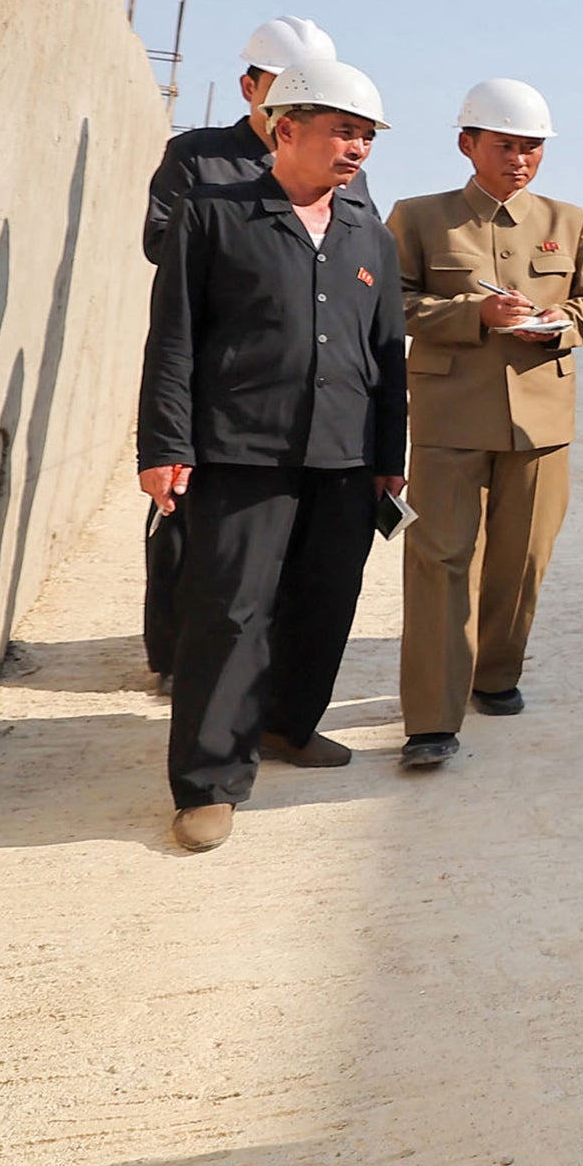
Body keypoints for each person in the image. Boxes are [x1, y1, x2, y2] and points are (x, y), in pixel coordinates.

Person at [135, 57, 406, 853]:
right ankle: (209, 780)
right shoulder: (212, 214)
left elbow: (387, 357)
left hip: (347, 455)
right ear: (286, 128)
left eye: (366, 136)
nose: (356, 148)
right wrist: (165, 443)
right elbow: (175, 338)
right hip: (242, 448)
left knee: (325, 600)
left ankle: (290, 724)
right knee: (229, 610)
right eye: (341, 131)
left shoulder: (371, 236)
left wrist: (391, 455)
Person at [385, 79, 583, 767]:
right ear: (468, 143)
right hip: (449, 417)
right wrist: (470, 315)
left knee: (522, 561)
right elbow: (390, 305)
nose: (519, 159)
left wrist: (560, 326)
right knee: (438, 560)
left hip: (542, 420)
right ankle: (430, 718)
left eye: (531, 147)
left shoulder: (568, 221)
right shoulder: (420, 217)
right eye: (505, 145)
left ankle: (495, 674)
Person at [137, 13, 335, 681]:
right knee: (183, 518)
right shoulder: (196, 155)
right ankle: (170, 655)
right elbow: (159, 241)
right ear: (249, 84)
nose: (295, 102)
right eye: (283, 86)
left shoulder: (336, 168)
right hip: (209, 362)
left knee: (272, 533)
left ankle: (252, 661)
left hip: (286, 380)